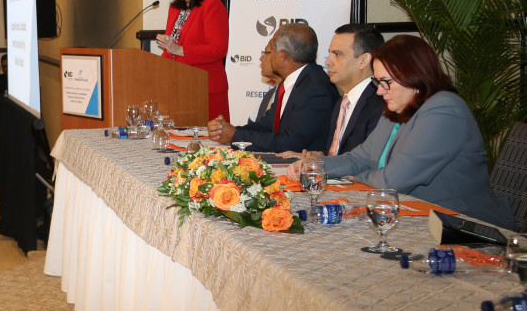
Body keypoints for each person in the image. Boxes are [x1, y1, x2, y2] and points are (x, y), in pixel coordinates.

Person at [290, 35, 515, 228]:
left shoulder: (444, 110)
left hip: (463, 227)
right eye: (378, 82)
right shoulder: (397, 109)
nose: (380, 91)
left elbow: (393, 181)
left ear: (413, 76)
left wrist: (354, 178)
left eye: (386, 82)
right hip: (417, 218)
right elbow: (360, 158)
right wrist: (315, 166)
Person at [207, 24, 336, 153]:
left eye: (271, 49)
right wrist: (227, 130)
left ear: (282, 55)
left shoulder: (314, 89)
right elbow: (266, 127)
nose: (264, 56)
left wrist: (234, 136)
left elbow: (289, 143)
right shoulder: (293, 82)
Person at [156, 0, 230, 121]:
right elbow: (170, 47)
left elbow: (218, 49)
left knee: (209, 136)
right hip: (178, 88)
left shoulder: (212, 5)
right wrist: (156, 69)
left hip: (206, 89)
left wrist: (180, 50)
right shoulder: (175, 8)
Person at [320, 23, 386, 156]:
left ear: (363, 60)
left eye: (337, 54)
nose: (327, 62)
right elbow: (337, 155)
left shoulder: (380, 104)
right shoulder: (342, 103)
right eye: (330, 53)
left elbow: (367, 161)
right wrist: (317, 158)